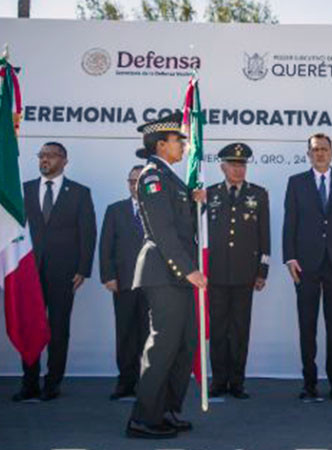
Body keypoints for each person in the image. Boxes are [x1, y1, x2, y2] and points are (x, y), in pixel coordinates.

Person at [126, 111, 208, 439]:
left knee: (183, 345)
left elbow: (179, 219)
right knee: (162, 347)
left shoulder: (170, 176)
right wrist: (188, 270)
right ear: (161, 145)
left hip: (177, 274)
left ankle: (167, 411)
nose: (185, 145)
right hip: (164, 272)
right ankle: (143, 419)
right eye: (179, 140)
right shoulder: (152, 176)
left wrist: (193, 198)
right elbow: (163, 230)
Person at [13, 142, 97, 402]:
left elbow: (88, 232)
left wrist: (83, 268)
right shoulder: (23, 190)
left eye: (50, 155)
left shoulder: (80, 193)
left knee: (58, 329)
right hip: (28, 271)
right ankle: (29, 383)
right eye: (41, 155)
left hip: (64, 273)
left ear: (64, 160)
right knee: (30, 327)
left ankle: (52, 383)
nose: (44, 159)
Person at [283, 132, 332, 402]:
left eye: (324, 149)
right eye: (315, 149)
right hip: (305, 266)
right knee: (307, 326)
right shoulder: (296, 183)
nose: (320, 153)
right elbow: (289, 223)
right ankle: (309, 383)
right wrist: (289, 258)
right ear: (308, 154)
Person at [205, 143, 270, 400]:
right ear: (223, 167)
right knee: (219, 329)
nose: (239, 169)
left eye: (242, 165)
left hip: (245, 274)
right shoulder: (209, 194)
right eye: (233, 165)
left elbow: (264, 234)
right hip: (216, 274)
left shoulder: (258, 194)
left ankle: (237, 382)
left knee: (240, 329)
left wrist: (262, 270)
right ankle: (219, 380)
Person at [99, 165, 148, 401]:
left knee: (150, 336)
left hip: (153, 285)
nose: (134, 185)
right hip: (124, 283)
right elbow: (106, 245)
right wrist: (108, 276)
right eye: (131, 180)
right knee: (126, 334)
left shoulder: (159, 209)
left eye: (139, 180)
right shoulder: (115, 210)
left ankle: (147, 383)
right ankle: (125, 382)